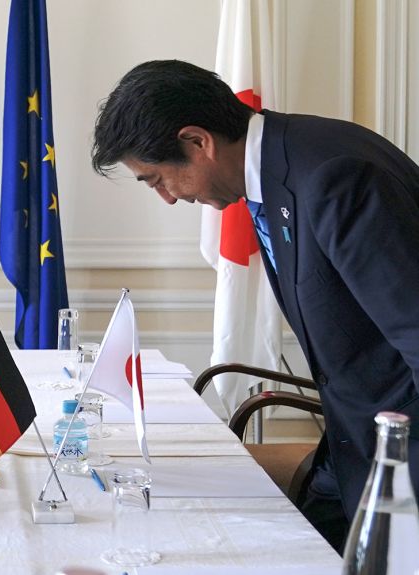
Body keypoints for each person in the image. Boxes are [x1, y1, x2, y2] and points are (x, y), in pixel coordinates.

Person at [91, 59, 419, 552]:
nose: (167, 198)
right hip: (350, 446)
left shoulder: (335, 177)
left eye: (156, 179)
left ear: (197, 142)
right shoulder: (283, 167)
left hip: (400, 464)